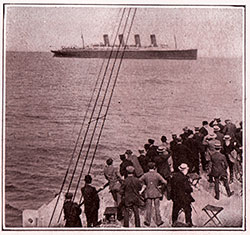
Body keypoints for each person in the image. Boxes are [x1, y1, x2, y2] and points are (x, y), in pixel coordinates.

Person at [140, 162, 167, 227]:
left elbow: (139, 181)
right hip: (156, 192)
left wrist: (144, 185)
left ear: (148, 167)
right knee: (157, 208)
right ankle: (159, 221)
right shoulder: (157, 175)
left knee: (148, 208)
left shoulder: (145, 175)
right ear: (154, 167)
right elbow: (165, 182)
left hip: (148, 192)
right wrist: (159, 186)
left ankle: (147, 221)